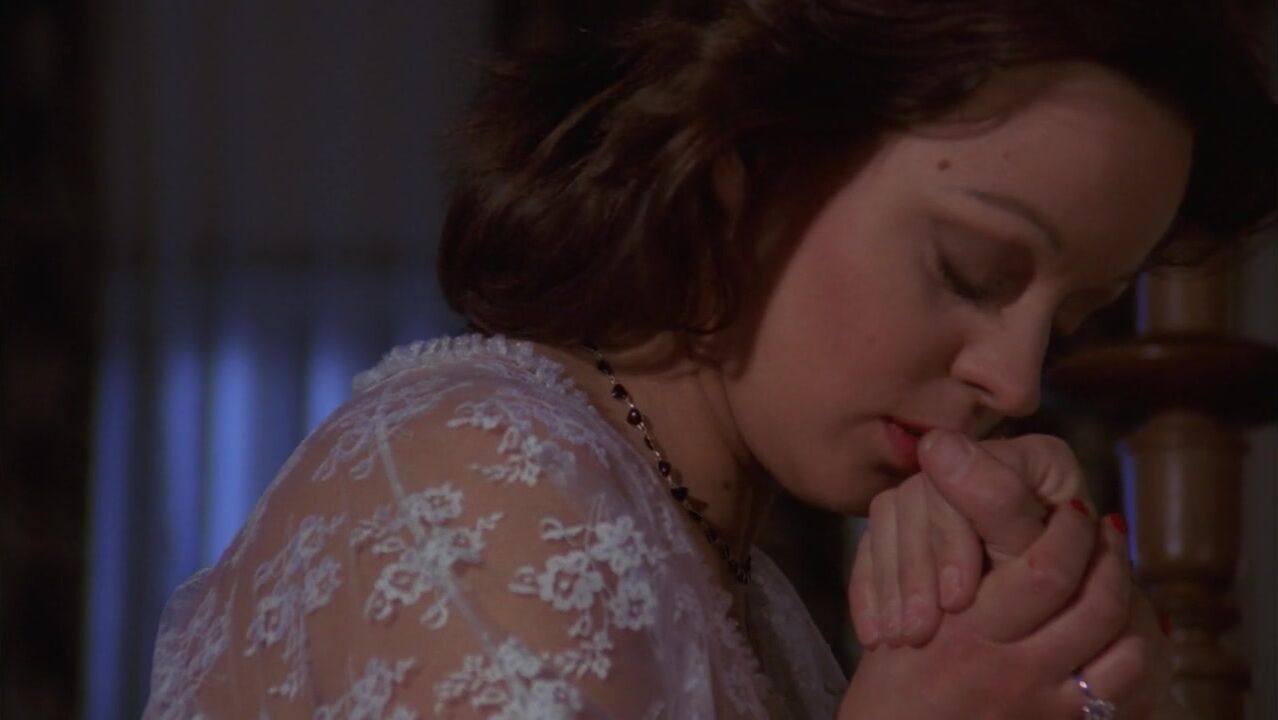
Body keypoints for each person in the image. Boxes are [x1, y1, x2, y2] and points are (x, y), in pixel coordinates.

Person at [142, 1, 1277, 718]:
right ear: (750, 157)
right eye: (971, 271)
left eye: (1071, 319)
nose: (1017, 381)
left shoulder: (745, 590)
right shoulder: (486, 489)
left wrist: (1068, 652)